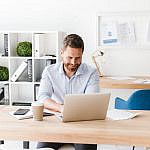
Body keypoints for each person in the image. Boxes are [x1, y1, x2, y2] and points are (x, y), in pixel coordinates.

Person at [37, 34, 100, 150]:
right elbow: (42, 97)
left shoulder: (91, 72)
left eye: (78, 58)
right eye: (69, 57)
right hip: (55, 124)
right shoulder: (49, 71)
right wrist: (61, 108)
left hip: (83, 126)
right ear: (62, 53)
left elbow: (92, 101)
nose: (73, 62)